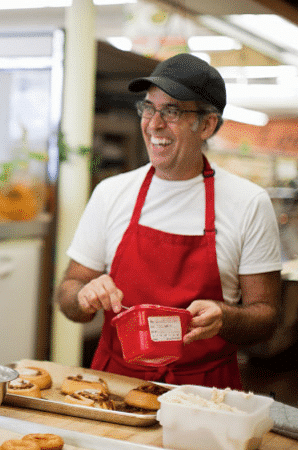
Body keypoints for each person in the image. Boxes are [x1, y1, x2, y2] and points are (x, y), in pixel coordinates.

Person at [57, 53, 282, 390]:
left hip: (205, 393)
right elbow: (67, 293)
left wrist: (226, 318)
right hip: (116, 385)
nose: (154, 123)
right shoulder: (112, 193)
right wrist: (83, 296)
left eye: (172, 111)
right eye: (148, 108)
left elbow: (265, 317)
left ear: (206, 124)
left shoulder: (248, 203)